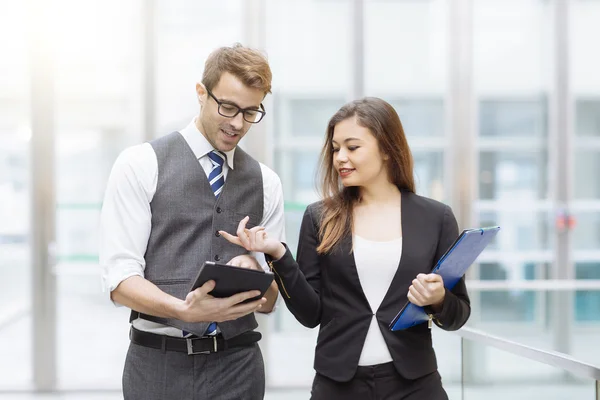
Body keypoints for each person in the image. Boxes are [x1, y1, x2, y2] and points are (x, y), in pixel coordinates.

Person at [220, 97, 470, 400]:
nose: (340, 157)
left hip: (416, 384)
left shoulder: (436, 218)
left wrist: (439, 298)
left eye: (352, 147)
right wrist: (278, 255)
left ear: (388, 149)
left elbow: (458, 315)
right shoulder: (319, 217)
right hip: (337, 386)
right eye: (336, 148)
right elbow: (311, 314)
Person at [99, 43, 285, 400]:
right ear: (201, 93)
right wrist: (183, 310)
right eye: (227, 107)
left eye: (250, 112)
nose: (236, 123)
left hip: (239, 367)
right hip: (157, 365)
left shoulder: (267, 182)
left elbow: (271, 300)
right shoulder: (139, 164)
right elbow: (120, 280)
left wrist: (254, 270)